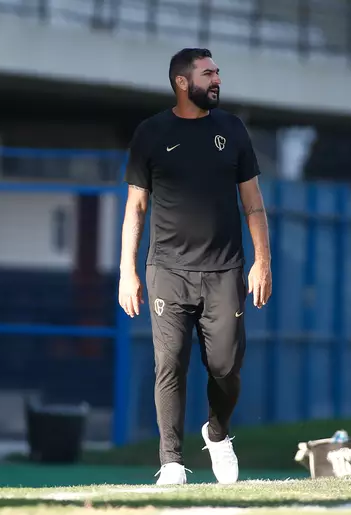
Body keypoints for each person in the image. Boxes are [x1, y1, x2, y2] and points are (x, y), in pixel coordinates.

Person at [118, 48, 272, 485]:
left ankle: (218, 433)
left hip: (224, 270)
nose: (217, 79)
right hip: (166, 269)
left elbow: (254, 205)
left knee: (225, 367)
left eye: (218, 72)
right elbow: (136, 207)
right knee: (170, 364)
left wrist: (262, 262)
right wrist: (127, 271)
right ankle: (170, 461)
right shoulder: (150, 133)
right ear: (183, 83)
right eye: (208, 73)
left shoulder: (233, 130)